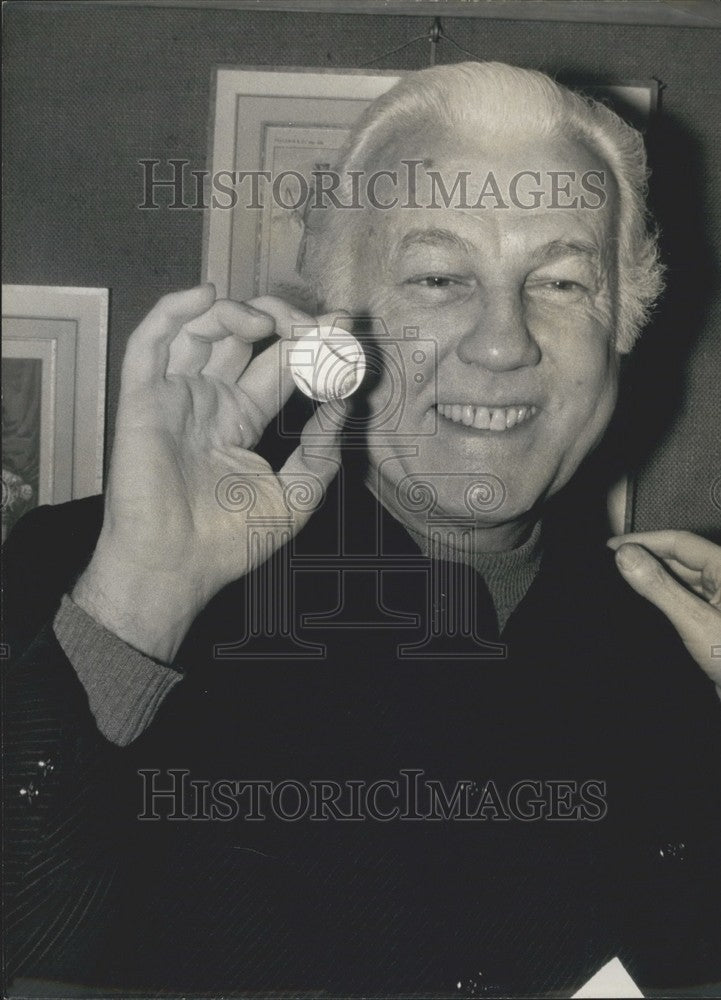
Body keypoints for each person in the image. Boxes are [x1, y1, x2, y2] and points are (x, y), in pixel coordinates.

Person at [3, 62, 721, 997]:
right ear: (338, 323)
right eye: (436, 275)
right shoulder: (83, 583)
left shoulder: (678, 662)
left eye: (559, 281)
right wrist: (137, 605)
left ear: (624, 323)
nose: (501, 342)